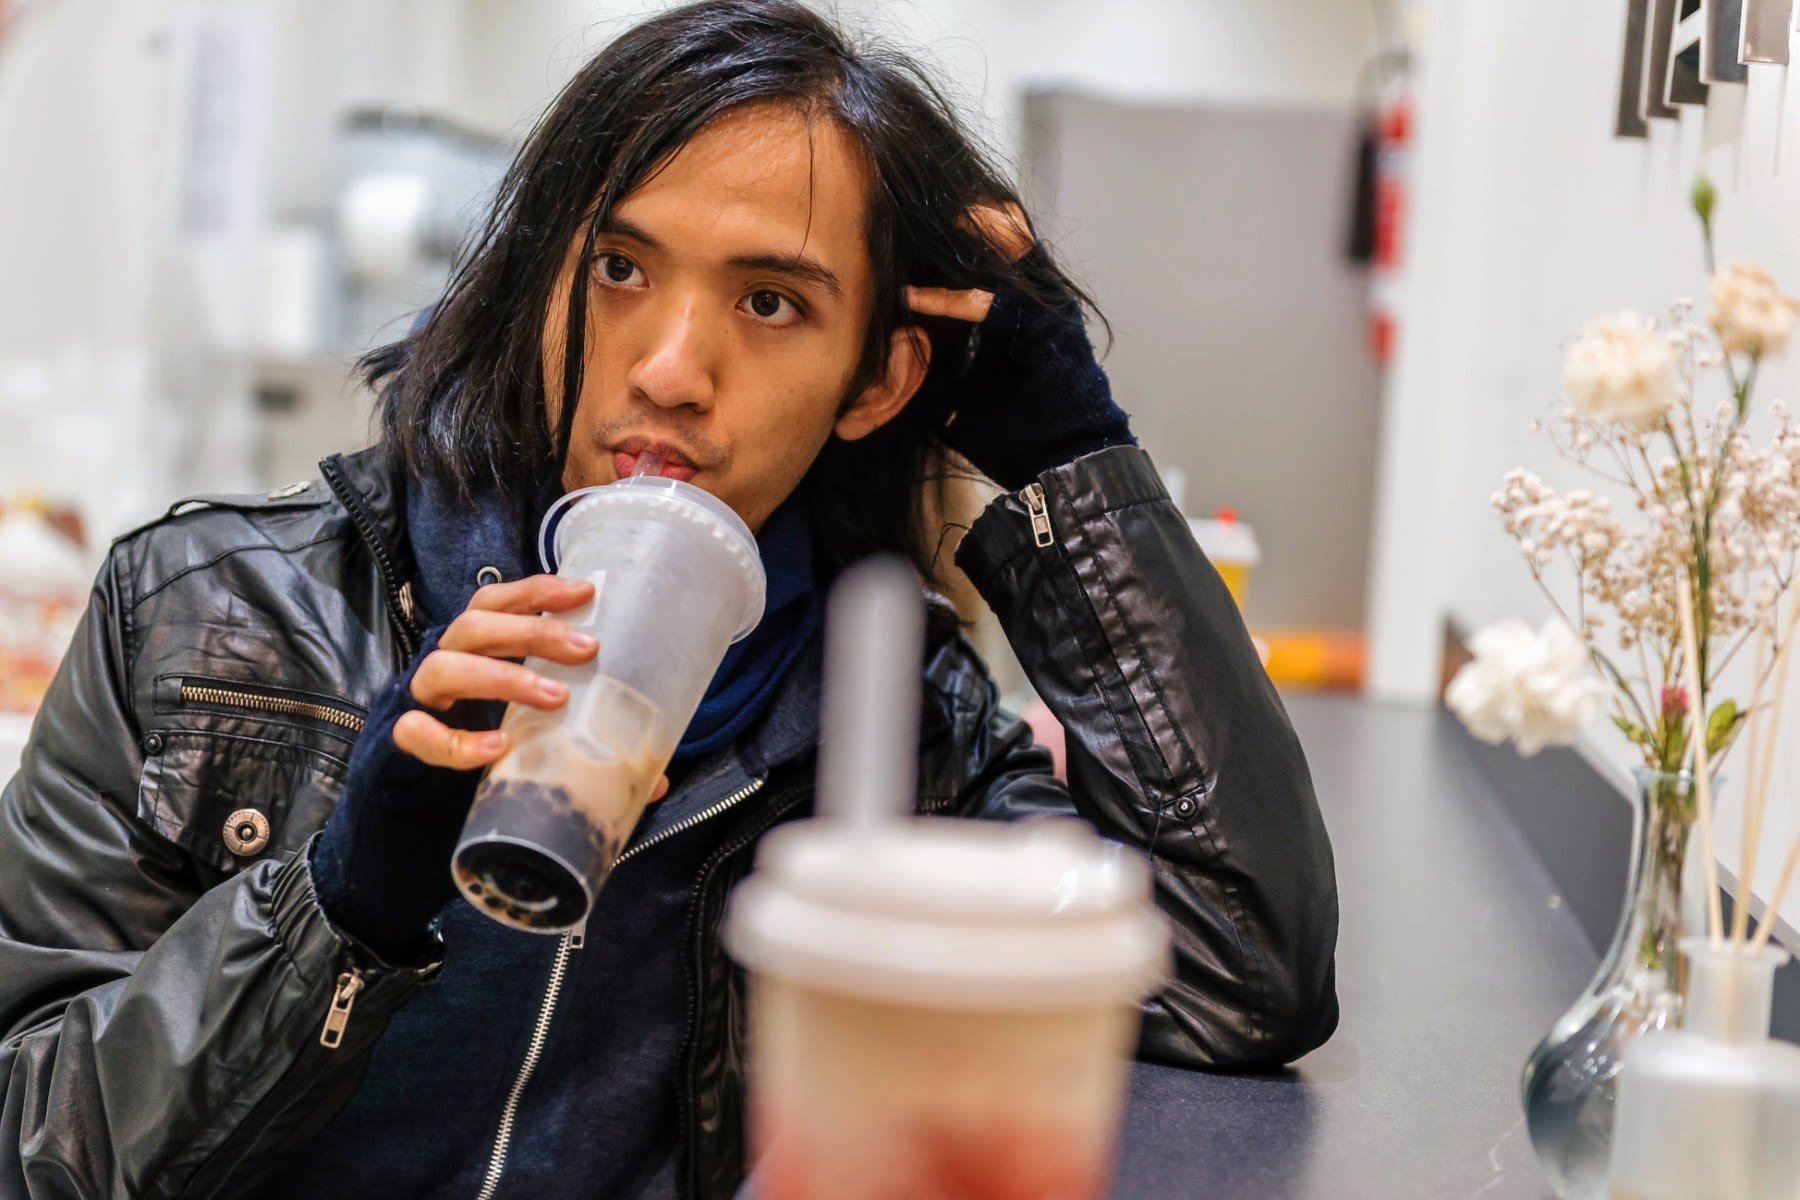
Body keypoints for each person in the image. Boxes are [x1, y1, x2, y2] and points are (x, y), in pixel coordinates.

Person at [0, 3, 1339, 1197]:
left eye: (771, 302)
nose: (671, 370)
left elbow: (1234, 976)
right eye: (622, 270)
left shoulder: (894, 741)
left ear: (876, 381)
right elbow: (29, 1138)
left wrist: (1067, 455)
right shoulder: (204, 618)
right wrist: (341, 901)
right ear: (543, 287)